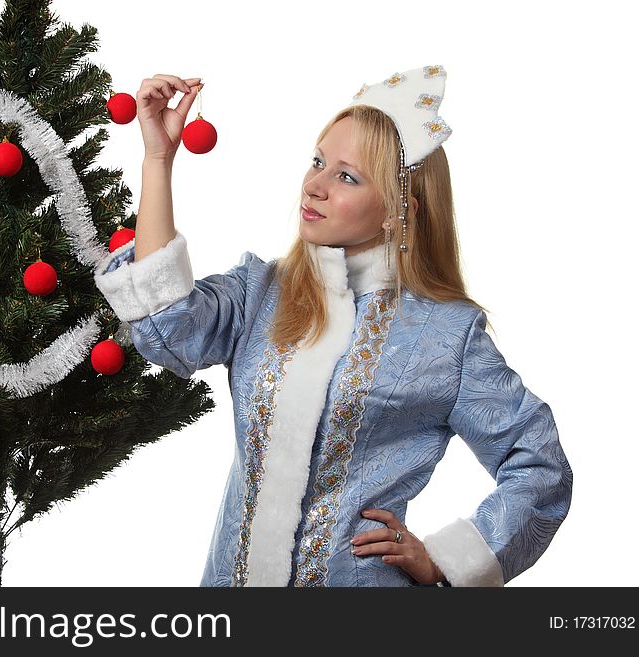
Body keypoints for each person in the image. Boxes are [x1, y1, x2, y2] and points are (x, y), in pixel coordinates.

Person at [94, 66, 573, 587]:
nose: (314, 186)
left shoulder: (446, 336)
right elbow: (168, 328)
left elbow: (540, 467)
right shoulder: (261, 291)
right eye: (318, 162)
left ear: (398, 211)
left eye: (347, 176)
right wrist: (158, 159)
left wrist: (446, 559)